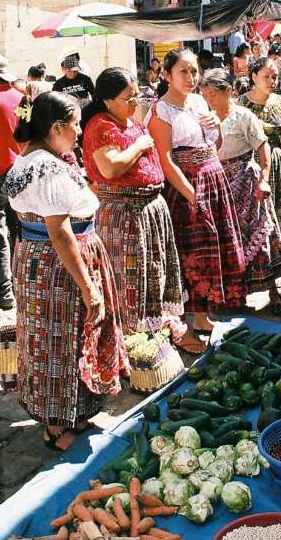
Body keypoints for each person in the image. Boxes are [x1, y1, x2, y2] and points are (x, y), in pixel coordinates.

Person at [3, 91, 129, 451]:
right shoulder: (45, 168)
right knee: (59, 340)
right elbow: (59, 231)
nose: (78, 131)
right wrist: (89, 287)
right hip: (58, 266)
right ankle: (55, 427)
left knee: (62, 337)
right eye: (74, 125)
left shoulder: (36, 157)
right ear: (56, 127)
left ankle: (71, 412)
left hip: (41, 260)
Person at [81, 67, 204, 353]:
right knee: (131, 279)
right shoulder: (101, 125)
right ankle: (134, 343)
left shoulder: (129, 122)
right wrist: (139, 145)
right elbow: (110, 167)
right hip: (124, 217)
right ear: (108, 100)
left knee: (156, 273)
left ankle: (162, 330)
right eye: (128, 98)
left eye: (137, 96)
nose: (135, 103)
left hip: (149, 211)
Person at [146, 49, 246, 334]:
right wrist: (192, 195)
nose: (191, 77)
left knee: (213, 249)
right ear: (166, 75)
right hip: (186, 186)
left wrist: (217, 125)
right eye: (183, 71)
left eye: (194, 71)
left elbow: (214, 146)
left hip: (213, 180)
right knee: (191, 253)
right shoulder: (160, 111)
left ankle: (203, 316)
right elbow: (165, 160)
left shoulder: (200, 102)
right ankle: (187, 322)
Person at [201, 69, 281, 314]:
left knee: (261, 236)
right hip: (218, 184)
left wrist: (264, 179)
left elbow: (263, 148)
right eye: (205, 95)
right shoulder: (203, 118)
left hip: (246, 182)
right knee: (227, 241)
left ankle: (273, 291)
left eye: (214, 95)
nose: (210, 100)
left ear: (228, 92)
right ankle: (233, 296)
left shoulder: (243, 116)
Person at [239, 57, 281, 262]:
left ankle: (278, 255)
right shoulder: (243, 103)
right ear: (254, 77)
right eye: (266, 76)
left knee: (280, 207)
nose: (271, 81)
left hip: (277, 162)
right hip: (254, 164)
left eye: (274, 76)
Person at [0, 51, 22, 310]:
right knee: (19, 232)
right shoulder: (23, 99)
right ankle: (18, 285)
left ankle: (3, 293)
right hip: (19, 172)